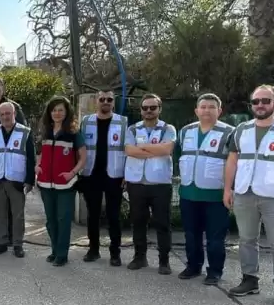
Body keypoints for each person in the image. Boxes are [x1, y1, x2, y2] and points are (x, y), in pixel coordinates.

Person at [223, 85, 274, 305]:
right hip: (245, 193)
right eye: (256, 101)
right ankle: (250, 280)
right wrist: (227, 189)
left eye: (265, 101)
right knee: (247, 240)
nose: (260, 105)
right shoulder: (241, 129)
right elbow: (232, 161)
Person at [176, 93, 235, 285]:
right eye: (203, 107)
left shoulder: (229, 133)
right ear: (196, 110)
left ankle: (215, 271)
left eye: (211, 107)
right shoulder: (185, 131)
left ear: (220, 110)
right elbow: (178, 155)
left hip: (216, 196)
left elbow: (234, 163)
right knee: (191, 235)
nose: (206, 110)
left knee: (215, 237)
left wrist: (230, 189)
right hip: (189, 193)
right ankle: (193, 266)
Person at [124, 94, 177, 274]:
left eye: (152, 108)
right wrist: (155, 150)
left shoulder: (168, 129)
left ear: (159, 109)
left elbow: (167, 149)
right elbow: (129, 151)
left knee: (162, 222)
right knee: (138, 221)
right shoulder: (132, 129)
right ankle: (140, 257)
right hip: (136, 182)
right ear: (140, 110)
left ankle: (164, 261)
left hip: (160, 183)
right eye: (145, 108)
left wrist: (142, 150)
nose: (148, 111)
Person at [36, 96, 86, 267]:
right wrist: (37, 166)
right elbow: (39, 153)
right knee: (50, 221)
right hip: (45, 184)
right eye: (54, 110)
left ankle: (62, 254)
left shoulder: (73, 133)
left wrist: (72, 173)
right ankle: (55, 250)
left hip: (66, 185)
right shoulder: (45, 131)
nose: (57, 113)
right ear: (50, 113)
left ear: (66, 112)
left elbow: (83, 158)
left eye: (60, 110)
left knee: (63, 219)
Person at [80, 89, 127, 265]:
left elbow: (127, 150)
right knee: (92, 215)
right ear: (96, 102)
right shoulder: (86, 122)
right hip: (91, 174)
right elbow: (80, 147)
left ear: (113, 103)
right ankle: (93, 250)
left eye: (109, 99)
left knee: (114, 215)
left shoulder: (122, 122)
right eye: (102, 99)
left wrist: (126, 175)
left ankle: (115, 253)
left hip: (114, 175)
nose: (105, 102)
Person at [0, 102, 36, 258]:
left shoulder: (25, 132)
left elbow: (31, 158)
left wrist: (30, 180)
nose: (5, 116)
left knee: (18, 215)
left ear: (14, 114)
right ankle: (1, 242)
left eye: (8, 113)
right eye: (2, 114)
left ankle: (18, 244)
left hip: (17, 180)